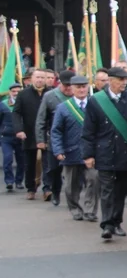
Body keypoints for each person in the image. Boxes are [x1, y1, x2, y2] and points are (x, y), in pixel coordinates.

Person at [82, 67, 127, 240]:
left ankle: (117, 221)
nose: (124, 83)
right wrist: (88, 155)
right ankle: (107, 225)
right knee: (106, 190)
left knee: (121, 190)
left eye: (126, 79)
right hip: (104, 153)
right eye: (120, 80)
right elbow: (89, 130)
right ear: (110, 81)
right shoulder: (96, 101)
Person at [52, 75, 99, 221]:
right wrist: (58, 150)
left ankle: (90, 210)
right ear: (71, 89)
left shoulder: (95, 105)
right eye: (78, 87)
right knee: (71, 185)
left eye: (84, 86)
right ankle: (75, 208)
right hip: (71, 152)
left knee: (94, 180)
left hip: (91, 152)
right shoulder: (63, 108)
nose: (81, 89)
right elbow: (56, 130)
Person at [36, 69, 75, 206]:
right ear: (59, 84)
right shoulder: (50, 96)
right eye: (66, 85)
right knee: (54, 169)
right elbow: (41, 119)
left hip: (74, 139)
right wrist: (40, 140)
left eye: (71, 85)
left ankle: (73, 197)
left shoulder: (79, 95)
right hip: (55, 139)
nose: (69, 88)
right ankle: (56, 192)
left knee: (75, 170)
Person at [13, 68, 49, 200]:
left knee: (47, 163)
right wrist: (19, 129)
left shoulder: (50, 94)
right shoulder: (23, 94)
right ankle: (31, 188)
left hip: (47, 133)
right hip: (29, 133)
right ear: (31, 79)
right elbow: (16, 113)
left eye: (42, 77)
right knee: (30, 163)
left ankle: (47, 188)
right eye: (37, 77)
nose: (40, 80)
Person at [1, 83, 24, 191]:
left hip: (21, 137)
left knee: (21, 161)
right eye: (13, 91)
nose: (16, 93)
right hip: (7, 137)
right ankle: (9, 181)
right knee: (7, 159)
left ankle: (19, 181)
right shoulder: (3, 104)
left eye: (18, 92)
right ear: (10, 92)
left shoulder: (24, 104)